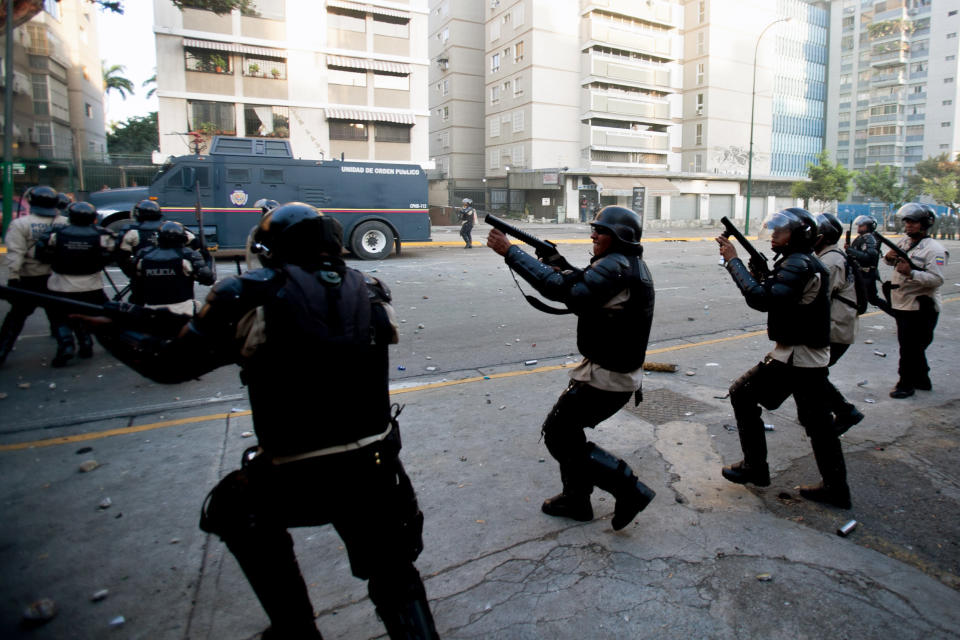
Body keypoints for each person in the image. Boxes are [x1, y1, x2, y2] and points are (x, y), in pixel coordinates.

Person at [90, 203, 439, 639]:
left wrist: (109, 331)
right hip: (377, 464)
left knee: (232, 510)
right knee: (394, 572)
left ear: (268, 248)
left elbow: (171, 366)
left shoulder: (247, 294)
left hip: (297, 471)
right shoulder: (369, 290)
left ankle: (295, 629)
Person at [486, 205, 656, 530]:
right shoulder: (621, 264)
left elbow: (566, 291)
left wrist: (511, 252)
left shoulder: (618, 267)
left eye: (600, 231)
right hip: (611, 371)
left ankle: (629, 490)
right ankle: (577, 499)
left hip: (608, 377)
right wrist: (556, 263)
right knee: (567, 432)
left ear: (618, 236)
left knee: (558, 434)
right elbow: (584, 284)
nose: (593, 235)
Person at [716, 208, 852, 509]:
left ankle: (756, 467)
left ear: (799, 236)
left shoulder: (798, 263)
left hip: (797, 355)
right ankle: (836, 487)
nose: (774, 235)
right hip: (806, 356)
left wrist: (733, 261)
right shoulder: (801, 262)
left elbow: (762, 299)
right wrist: (759, 274)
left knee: (742, 393)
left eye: (781, 231)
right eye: (773, 230)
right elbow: (778, 294)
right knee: (819, 424)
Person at [35, 201, 116, 365]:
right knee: (101, 313)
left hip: (61, 283)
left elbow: (41, 255)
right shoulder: (102, 235)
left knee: (58, 317)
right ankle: (89, 343)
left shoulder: (56, 233)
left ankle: (66, 344)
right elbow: (111, 256)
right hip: (91, 284)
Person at [883, 203, 948, 399]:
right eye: (907, 221)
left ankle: (906, 384)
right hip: (902, 302)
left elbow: (936, 280)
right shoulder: (904, 243)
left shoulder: (935, 250)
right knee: (913, 346)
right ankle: (922, 379)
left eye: (914, 222)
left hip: (921, 305)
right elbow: (890, 261)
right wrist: (888, 257)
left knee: (911, 348)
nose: (909, 225)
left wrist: (912, 273)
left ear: (925, 224)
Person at [0, 186, 69, 366]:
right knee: (58, 313)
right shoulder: (65, 223)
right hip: (56, 276)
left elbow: (15, 254)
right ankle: (66, 345)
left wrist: (13, 277)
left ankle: (2, 350)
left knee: (16, 316)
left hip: (30, 276)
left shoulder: (20, 224)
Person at [814, 213, 864, 436]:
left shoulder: (830, 262)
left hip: (834, 329)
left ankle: (845, 411)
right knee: (812, 375)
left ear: (821, 237)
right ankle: (823, 413)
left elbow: (816, 297)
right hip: (836, 327)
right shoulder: (829, 257)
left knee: (811, 375)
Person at [133, 221, 215, 316]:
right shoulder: (188, 256)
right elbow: (208, 279)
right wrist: (208, 258)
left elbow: (135, 279)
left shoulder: (143, 255)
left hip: (150, 310)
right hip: (182, 310)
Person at [845, 214, 888, 313]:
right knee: (869, 298)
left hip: (866, 274)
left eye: (862, 225)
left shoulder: (869, 238)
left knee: (871, 298)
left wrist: (850, 250)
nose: (859, 227)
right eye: (859, 225)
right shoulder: (862, 237)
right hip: (861, 273)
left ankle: (895, 313)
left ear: (869, 226)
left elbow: (869, 257)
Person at [245, 198, 280, 271]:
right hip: (268, 267)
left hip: (279, 268)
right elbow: (254, 247)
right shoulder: (260, 229)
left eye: (263, 211)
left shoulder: (279, 228)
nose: (262, 213)